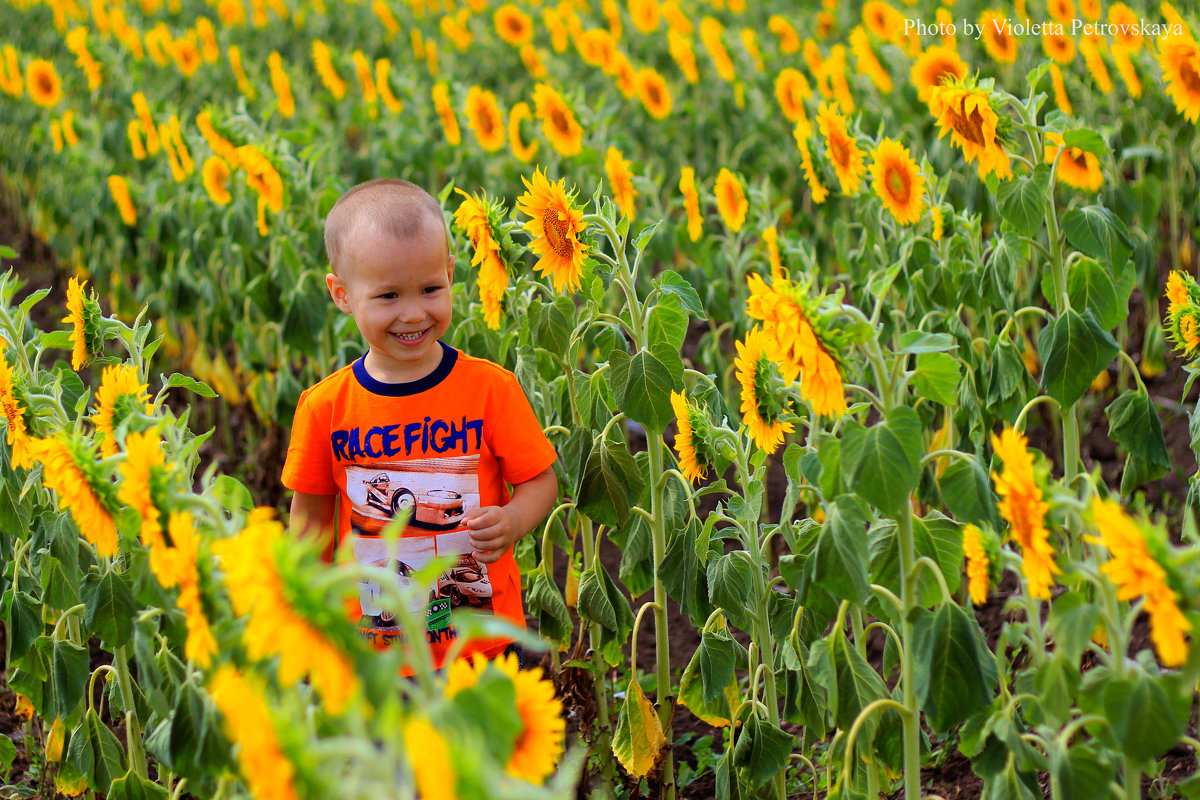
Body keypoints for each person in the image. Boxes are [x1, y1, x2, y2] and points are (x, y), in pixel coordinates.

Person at [282, 178, 559, 668]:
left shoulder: (488, 390)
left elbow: (540, 480)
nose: (413, 313)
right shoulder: (324, 408)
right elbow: (311, 520)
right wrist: (305, 608)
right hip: (373, 656)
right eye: (388, 296)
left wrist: (512, 521)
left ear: (451, 274)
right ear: (341, 294)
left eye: (431, 289)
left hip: (483, 643)